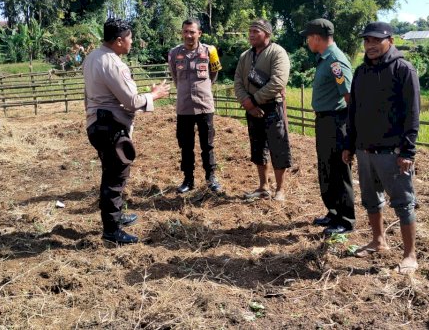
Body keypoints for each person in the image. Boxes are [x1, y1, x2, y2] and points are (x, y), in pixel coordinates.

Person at [342, 21, 420, 274]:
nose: (371, 45)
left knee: (403, 202)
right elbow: (353, 111)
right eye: (367, 41)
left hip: (393, 152)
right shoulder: (361, 72)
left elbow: (412, 113)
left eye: (376, 40)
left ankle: (410, 255)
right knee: (371, 200)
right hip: (365, 150)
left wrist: (408, 151)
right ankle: (378, 241)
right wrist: (350, 144)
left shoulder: (403, 69)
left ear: (390, 41)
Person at [83, 18, 171, 244]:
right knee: (115, 178)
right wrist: (155, 95)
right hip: (110, 127)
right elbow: (131, 101)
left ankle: (116, 217)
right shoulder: (113, 63)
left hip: (97, 124)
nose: (132, 42)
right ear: (120, 40)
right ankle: (112, 232)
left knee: (110, 173)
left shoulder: (92, 57)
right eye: (130, 38)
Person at [302, 18, 355, 236]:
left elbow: (349, 96)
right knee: (326, 168)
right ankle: (333, 212)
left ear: (316, 38)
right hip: (324, 121)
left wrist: (350, 131)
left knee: (339, 170)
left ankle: (345, 219)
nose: (307, 42)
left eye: (308, 37)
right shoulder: (324, 59)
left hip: (336, 122)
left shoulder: (335, 61)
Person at [233, 19, 292, 201]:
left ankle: (280, 189)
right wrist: (246, 102)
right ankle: (263, 186)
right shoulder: (245, 56)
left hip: (272, 106)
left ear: (267, 34)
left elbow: (278, 82)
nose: (251, 35)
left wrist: (254, 100)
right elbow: (237, 80)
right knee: (258, 147)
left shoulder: (277, 53)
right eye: (249, 31)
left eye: (255, 31)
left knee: (278, 146)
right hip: (251, 108)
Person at [168, 19, 223, 193]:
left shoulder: (210, 51)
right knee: (185, 145)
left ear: (199, 33)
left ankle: (210, 178)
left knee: (207, 144)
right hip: (184, 107)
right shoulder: (173, 53)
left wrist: (203, 88)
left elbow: (213, 74)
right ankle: (188, 179)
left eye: (192, 32)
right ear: (182, 33)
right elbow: (175, 77)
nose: (188, 35)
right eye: (185, 32)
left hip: (204, 106)